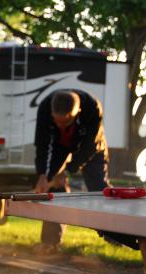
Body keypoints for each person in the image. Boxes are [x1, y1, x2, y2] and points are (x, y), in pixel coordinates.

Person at [33, 89, 110, 252]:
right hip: (60, 147)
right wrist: (42, 175)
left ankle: (116, 235)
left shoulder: (92, 107)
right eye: (57, 121)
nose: (60, 125)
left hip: (91, 148)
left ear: (78, 112)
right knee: (54, 190)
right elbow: (42, 144)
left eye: (66, 122)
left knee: (99, 188)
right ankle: (50, 241)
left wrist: (68, 171)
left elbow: (90, 146)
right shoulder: (45, 106)